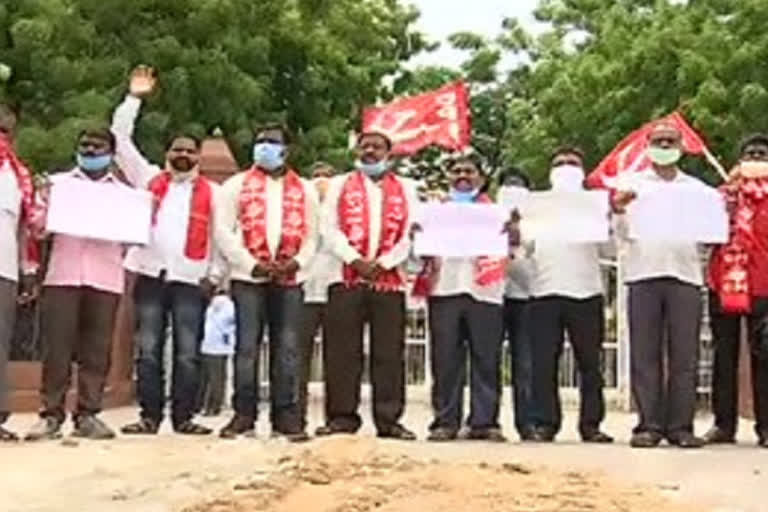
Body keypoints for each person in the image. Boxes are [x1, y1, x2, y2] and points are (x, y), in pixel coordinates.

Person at [110, 66, 221, 436]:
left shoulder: (212, 194)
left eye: (190, 150)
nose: (183, 155)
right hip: (150, 275)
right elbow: (120, 139)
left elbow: (220, 238)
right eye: (178, 149)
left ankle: (185, 418)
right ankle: (149, 416)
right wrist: (134, 98)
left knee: (188, 353)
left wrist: (215, 276)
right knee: (148, 350)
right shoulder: (148, 179)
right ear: (168, 153)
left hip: (191, 280)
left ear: (199, 156)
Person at [24, 126, 147, 441]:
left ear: (110, 152)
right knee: (57, 348)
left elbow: (133, 238)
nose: (90, 151)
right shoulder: (58, 185)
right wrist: (46, 202)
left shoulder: (125, 194)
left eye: (98, 146)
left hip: (105, 278)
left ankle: (88, 414)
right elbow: (37, 229)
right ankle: (50, 414)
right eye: (85, 145)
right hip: (62, 276)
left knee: (97, 350)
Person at [215, 123, 319, 441]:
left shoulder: (306, 189)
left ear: (287, 149)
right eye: (260, 141)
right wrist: (250, 263)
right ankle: (243, 415)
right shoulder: (235, 185)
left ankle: (286, 418)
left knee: (287, 349)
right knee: (246, 348)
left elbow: (313, 236)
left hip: (290, 279)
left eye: (272, 142)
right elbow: (223, 231)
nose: (264, 147)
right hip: (248, 277)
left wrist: (296, 262)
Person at [318, 131, 418, 440]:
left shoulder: (407, 189)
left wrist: (385, 262)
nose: (370, 151)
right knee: (341, 351)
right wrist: (355, 259)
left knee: (388, 352)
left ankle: (388, 419)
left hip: (389, 282)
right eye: (365, 146)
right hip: (345, 277)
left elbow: (412, 233)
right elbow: (328, 229)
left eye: (377, 147)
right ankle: (341, 417)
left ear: (389, 153)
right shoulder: (338, 185)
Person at [613, 123, 707, 449]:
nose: (664, 144)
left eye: (670, 140)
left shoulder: (696, 189)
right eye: (658, 140)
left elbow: (709, 234)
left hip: (685, 276)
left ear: (681, 146)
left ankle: (681, 427)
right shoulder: (631, 186)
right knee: (644, 354)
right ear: (647, 145)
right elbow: (620, 237)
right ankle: (649, 425)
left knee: (685, 355)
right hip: (643, 274)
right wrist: (619, 211)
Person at [525, 147, 613, 444]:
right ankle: (545, 423)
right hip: (544, 290)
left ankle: (591, 425)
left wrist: (611, 219)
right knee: (543, 363)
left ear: (583, 171)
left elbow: (611, 251)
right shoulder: (535, 206)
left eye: (572, 163)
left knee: (590, 364)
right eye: (559, 163)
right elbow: (521, 250)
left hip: (586, 291)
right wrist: (511, 231)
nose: (565, 168)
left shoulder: (594, 206)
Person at [416, 156, 507, 442]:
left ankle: (484, 421)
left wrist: (512, 234)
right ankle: (445, 421)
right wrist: (417, 237)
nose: (463, 175)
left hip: (486, 293)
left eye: (469, 171)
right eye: (456, 171)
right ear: (448, 177)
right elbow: (415, 256)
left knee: (486, 359)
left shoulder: (497, 212)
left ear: (481, 178)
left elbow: (519, 250)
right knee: (445, 359)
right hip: (445, 289)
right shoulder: (434, 212)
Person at [705, 134, 768, 448]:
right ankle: (723, 424)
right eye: (750, 154)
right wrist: (726, 198)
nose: (756, 159)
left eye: (762, 154)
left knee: (765, 358)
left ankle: (766, 426)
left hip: (763, 286)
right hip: (724, 283)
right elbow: (702, 231)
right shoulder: (722, 196)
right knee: (723, 357)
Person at [0, 102, 39, 442]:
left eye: (5, 131)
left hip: (5, 268)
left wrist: (29, 271)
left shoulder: (19, 175)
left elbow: (26, 227)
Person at [497, 168, 536, 441]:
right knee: (486, 362)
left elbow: (533, 274)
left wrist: (516, 245)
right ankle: (483, 419)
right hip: (491, 299)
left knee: (526, 364)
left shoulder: (538, 225)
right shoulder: (487, 218)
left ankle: (528, 423)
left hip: (524, 300)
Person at [298, 161, 336, 431]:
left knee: (337, 358)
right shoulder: (301, 210)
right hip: (303, 288)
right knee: (297, 356)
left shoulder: (342, 213)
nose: (322, 182)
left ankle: (334, 419)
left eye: (327, 177)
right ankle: (294, 416)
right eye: (317, 177)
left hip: (335, 288)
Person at [198, 291, 236, 417]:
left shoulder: (209, 306)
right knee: (218, 379)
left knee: (204, 379)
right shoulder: (230, 305)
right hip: (221, 346)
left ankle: (201, 405)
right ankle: (214, 407)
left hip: (206, 344)